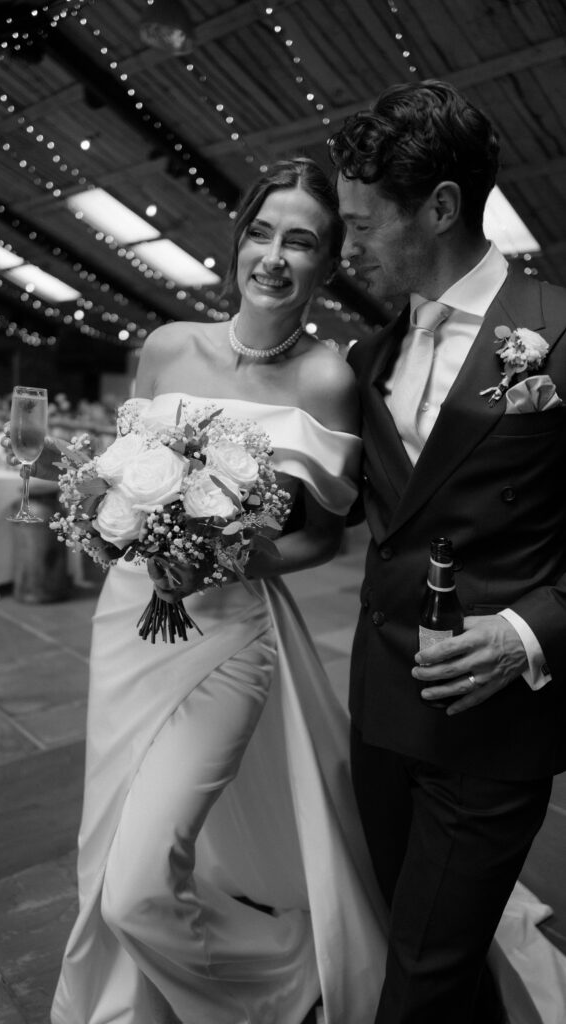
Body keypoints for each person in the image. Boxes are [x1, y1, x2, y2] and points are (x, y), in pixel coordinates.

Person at [8, 157, 388, 1024]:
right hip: (129, 628)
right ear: (237, 242)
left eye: (301, 242)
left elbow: (326, 534)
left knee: (137, 888)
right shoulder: (167, 345)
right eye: (261, 233)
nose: (273, 257)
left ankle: (287, 977)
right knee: (105, 845)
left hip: (229, 637)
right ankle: (137, 994)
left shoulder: (327, 378)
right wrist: (78, 497)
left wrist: (243, 558)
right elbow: (120, 478)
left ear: (326, 265)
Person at [329, 80, 566, 1024]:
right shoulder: (367, 358)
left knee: (419, 980)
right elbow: (344, 511)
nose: (346, 247)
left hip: (492, 725)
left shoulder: (556, 329)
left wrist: (524, 630)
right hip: (380, 712)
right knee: (430, 948)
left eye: (360, 223)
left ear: (439, 206)